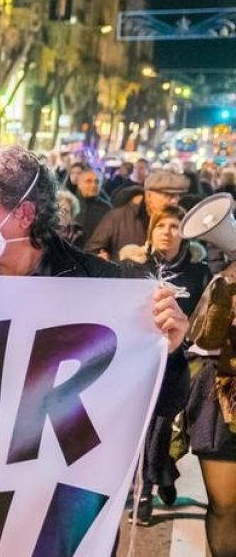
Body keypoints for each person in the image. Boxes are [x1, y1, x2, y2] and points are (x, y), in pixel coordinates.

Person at [0, 146, 189, 532]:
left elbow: (164, 403)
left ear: (24, 214)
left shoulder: (99, 284)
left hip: (60, 487)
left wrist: (168, 351)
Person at [118, 205, 209, 523]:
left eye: (174, 226)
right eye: (161, 226)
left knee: (162, 425)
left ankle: (159, 474)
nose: (167, 232)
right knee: (144, 425)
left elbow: (203, 318)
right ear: (150, 231)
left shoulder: (198, 272)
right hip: (137, 357)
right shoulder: (131, 267)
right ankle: (147, 486)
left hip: (179, 360)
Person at [181, 255, 236, 556]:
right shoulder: (225, 280)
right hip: (224, 397)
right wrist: (226, 293)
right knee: (224, 504)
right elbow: (204, 338)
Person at [86, 169, 188, 261]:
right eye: (168, 195)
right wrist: (106, 261)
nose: (175, 201)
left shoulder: (180, 219)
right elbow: (92, 251)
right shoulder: (117, 218)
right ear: (149, 195)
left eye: (177, 196)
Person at [74, 167, 111, 241]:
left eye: (97, 182)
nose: (94, 185)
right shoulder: (70, 204)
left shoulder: (106, 208)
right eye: (88, 181)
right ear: (79, 184)